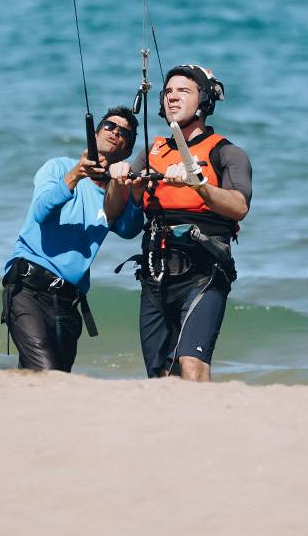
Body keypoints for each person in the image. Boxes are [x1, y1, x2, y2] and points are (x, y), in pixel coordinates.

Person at [106, 65, 252, 382]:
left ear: (204, 100)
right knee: (160, 377)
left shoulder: (227, 153)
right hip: (155, 276)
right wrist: (118, 180)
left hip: (203, 273)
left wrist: (198, 184)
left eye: (183, 91)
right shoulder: (152, 151)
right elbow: (117, 212)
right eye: (169, 91)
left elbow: (239, 207)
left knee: (191, 366)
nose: (173, 96)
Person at [1, 106, 142, 372]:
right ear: (95, 132)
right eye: (110, 126)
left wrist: (133, 192)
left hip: (67, 302)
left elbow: (129, 229)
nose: (115, 133)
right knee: (46, 372)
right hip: (28, 289)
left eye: (124, 133)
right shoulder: (59, 167)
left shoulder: (114, 196)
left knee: (51, 377)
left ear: (126, 151)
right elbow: (42, 211)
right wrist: (77, 174)